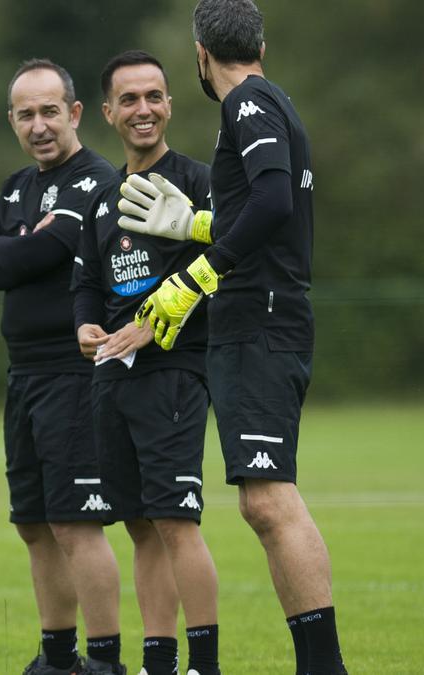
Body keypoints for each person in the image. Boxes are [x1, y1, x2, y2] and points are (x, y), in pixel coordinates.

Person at [117, 1, 347, 673]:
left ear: (199, 54)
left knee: (270, 499)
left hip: (261, 317)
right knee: (259, 500)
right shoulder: (267, 101)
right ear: (262, 45)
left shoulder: (245, 104)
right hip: (260, 315)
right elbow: (264, 212)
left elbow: (275, 203)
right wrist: (197, 225)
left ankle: (324, 666)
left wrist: (196, 275)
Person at [0, 58, 124, 675]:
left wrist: (21, 245)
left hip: (75, 374)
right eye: (26, 114)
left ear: (75, 113)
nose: (39, 126)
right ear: (12, 121)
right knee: (33, 524)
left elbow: (40, 252)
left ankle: (105, 660)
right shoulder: (15, 187)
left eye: (49, 111)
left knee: (75, 524)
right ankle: (58, 658)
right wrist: (26, 242)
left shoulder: (97, 180)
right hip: (23, 374)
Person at [73, 50, 220, 675]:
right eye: (129, 99)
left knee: (176, 520)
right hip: (112, 378)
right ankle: (158, 661)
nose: (143, 109)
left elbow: (224, 271)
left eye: (154, 96)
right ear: (107, 113)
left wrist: (150, 327)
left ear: (170, 104)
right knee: (137, 524)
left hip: (175, 374)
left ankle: (204, 665)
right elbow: (85, 280)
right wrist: (85, 324)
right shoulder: (103, 199)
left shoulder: (200, 183)